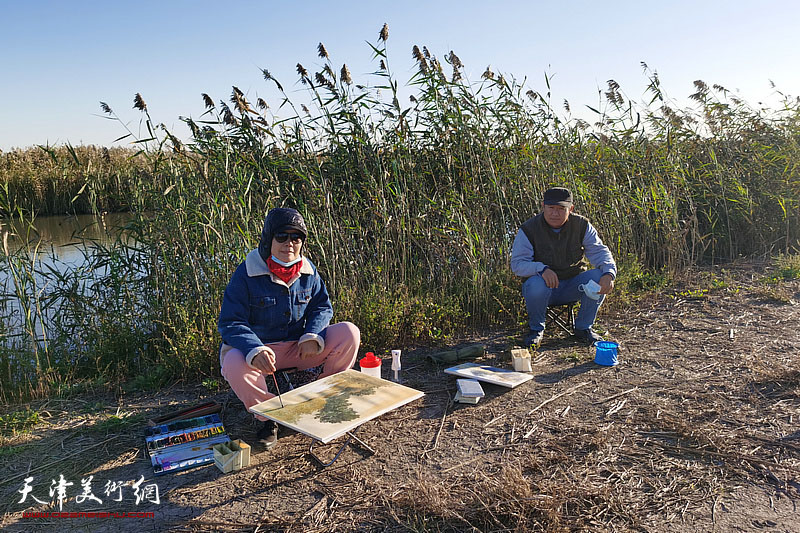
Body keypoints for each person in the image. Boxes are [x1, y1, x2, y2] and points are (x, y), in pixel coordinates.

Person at [218, 207, 360, 448]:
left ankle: (325, 396)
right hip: (260, 355)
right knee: (231, 362)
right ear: (267, 239)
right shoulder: (245, 274)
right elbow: (231, 322)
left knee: (349, 332)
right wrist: (254, 350)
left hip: (299, 349)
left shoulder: (308, 270)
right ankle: (269, 417)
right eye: (281, 236)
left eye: (296, 237)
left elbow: (322, 307)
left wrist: (312, 334)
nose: (289, 243)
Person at [511, 187, 616, 347]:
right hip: (542, 288)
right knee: (536, 284)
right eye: (551, 208)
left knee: (597, 276)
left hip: (573, 286)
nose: (555, 213)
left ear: (571, 209)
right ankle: (536, 331)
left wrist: (609, 274)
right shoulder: (528, 228)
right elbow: (518, 264)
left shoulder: (582, 225)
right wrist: (541, 269)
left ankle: (583, 329)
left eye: (561, 209)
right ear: (543, 206)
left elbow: (600, 252)